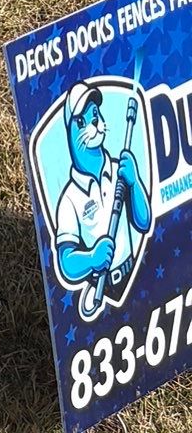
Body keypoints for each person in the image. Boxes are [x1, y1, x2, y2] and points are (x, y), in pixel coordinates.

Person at [54, 83, 151, 318]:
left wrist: (134, 182)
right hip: (102, 286)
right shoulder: (70, 198)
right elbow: (65, 262)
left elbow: (144, 221)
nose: (94, 124)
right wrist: (91, 258)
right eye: (83, 121)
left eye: (95, 115)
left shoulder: (120, 170)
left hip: (135, 271)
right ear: (72, 131)